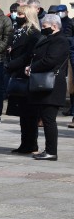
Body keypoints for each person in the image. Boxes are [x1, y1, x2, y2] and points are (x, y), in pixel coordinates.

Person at [27, 14, 69, 160]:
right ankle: (49, 150)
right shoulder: (50, 39)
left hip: (53, 85)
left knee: (49, 119)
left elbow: (50, 60)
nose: (43, 29)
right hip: (45, 84)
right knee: (46, 118)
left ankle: (51, 151)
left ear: (54, 26)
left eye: (45, 27)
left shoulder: (60, 41)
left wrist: (32, 67)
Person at [5, 5, 41, 153]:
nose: (17, 16)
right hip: (16, 73)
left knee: (30, 113)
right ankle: (24, 143)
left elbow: (28, 55)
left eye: (20, 14)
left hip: (25, 75)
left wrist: (12, 64)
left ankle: (31, 143)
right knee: (22, 113)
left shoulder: (33, 33)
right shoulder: (17, 31)